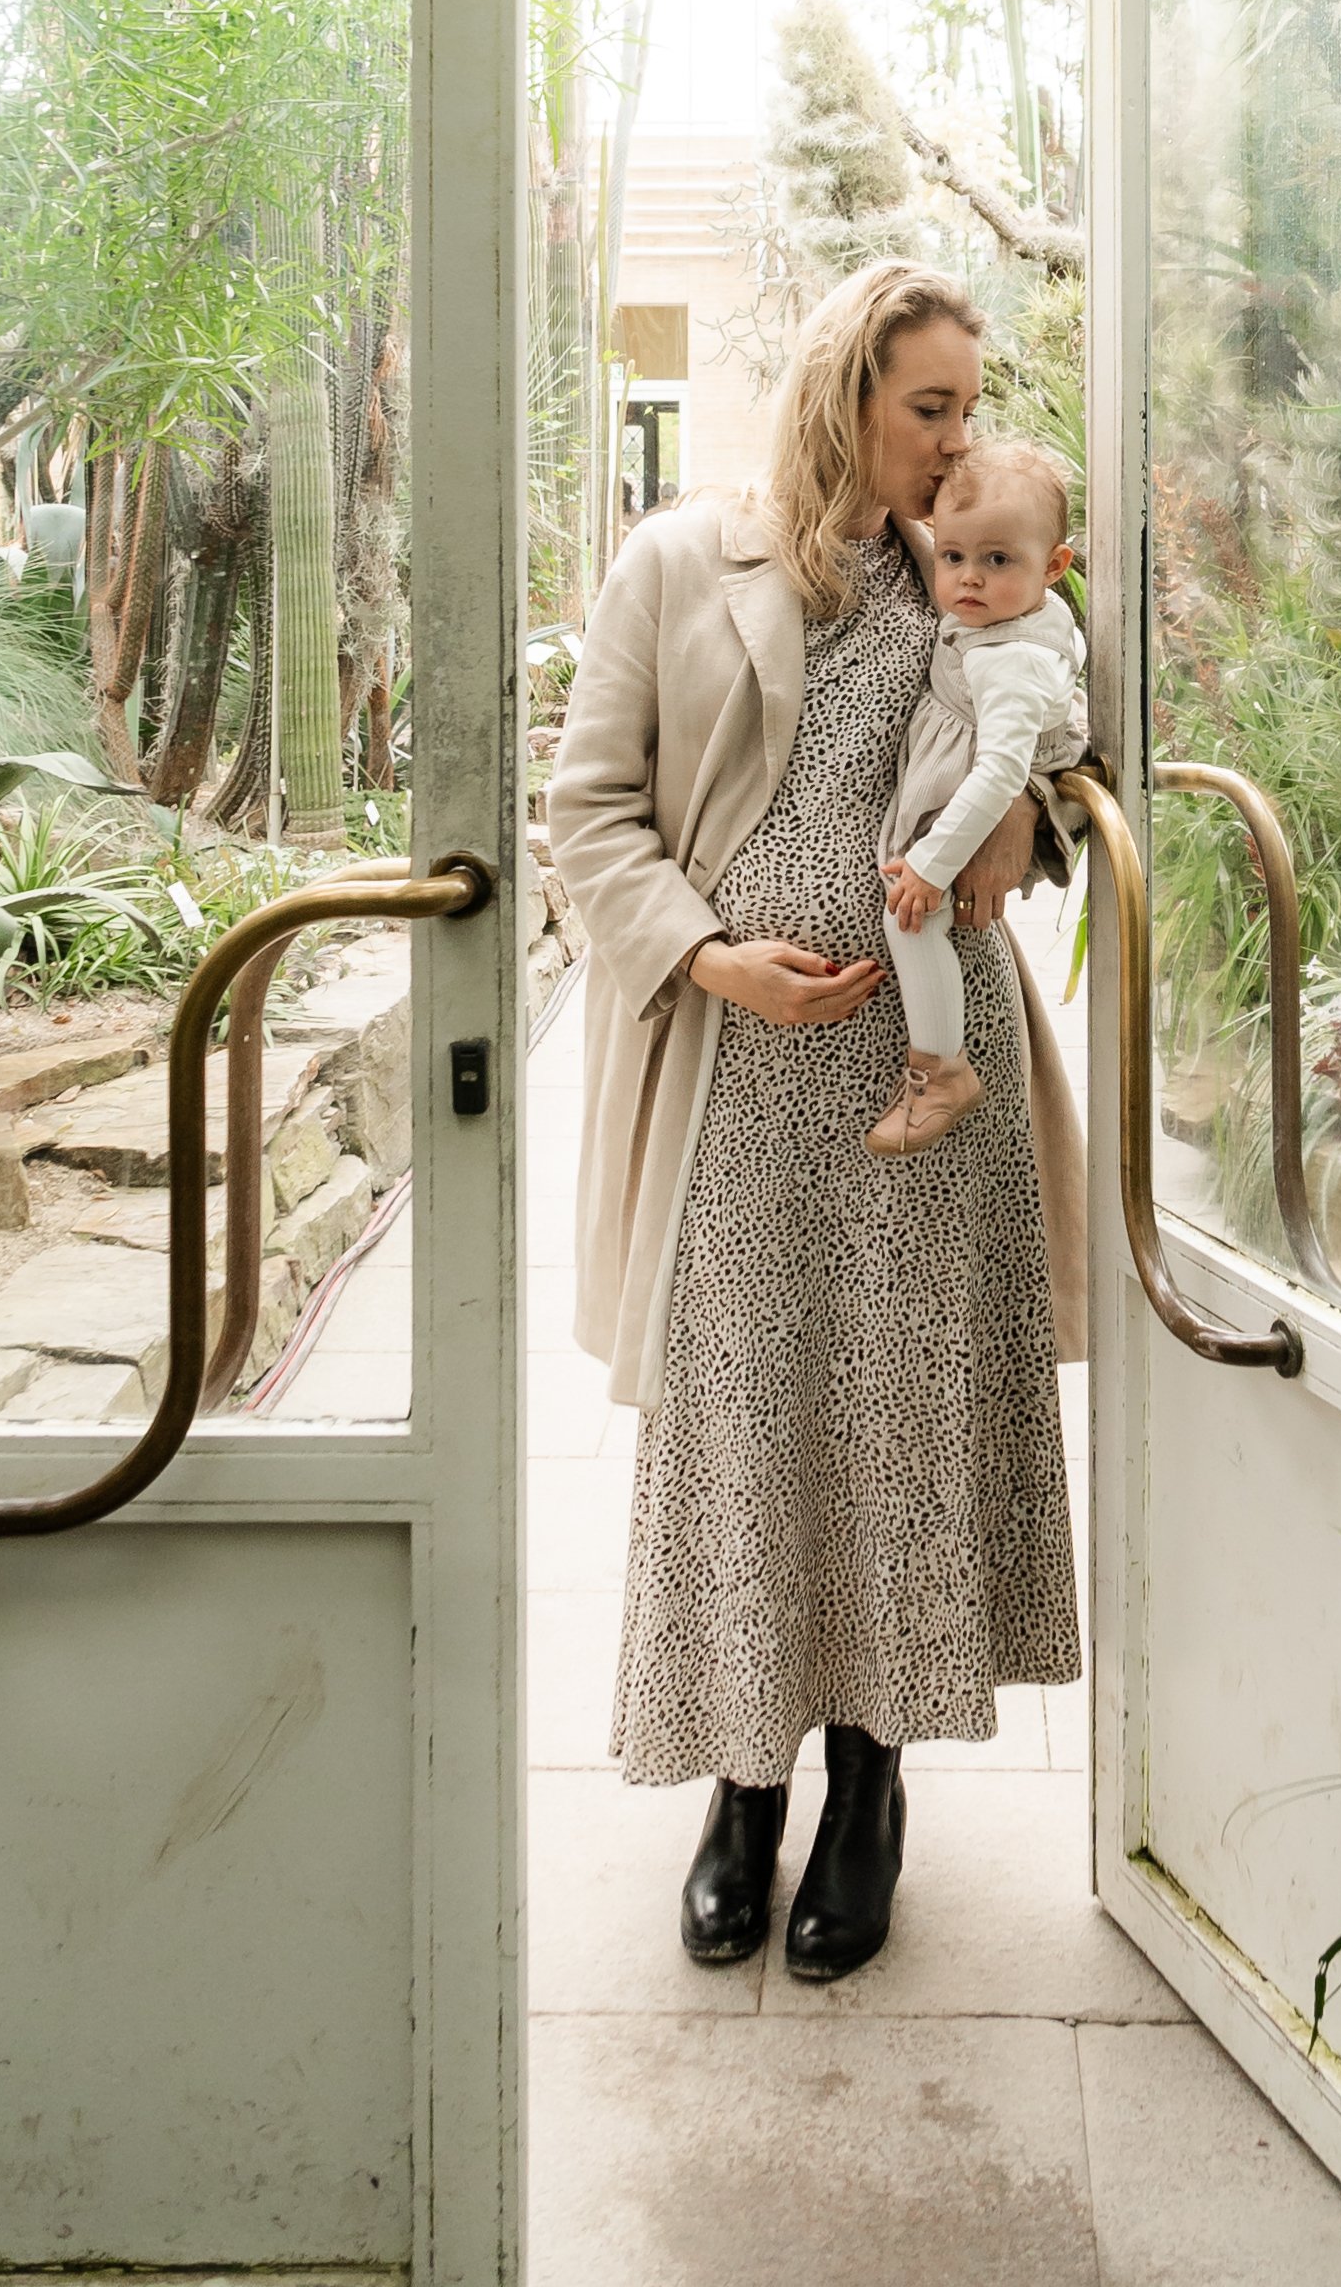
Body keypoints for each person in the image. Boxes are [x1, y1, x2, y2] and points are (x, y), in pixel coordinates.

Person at [548, 260, 1085, 1984]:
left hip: (934, 1079)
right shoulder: (676, 560)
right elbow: (585, 814)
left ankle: (870, 1786)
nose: (955, 440)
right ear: (843, 389)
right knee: (744, 1419)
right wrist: (712, 955)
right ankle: (740, 1791)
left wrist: (1028, 825)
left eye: (966, 403)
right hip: (744, 1076)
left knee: (904, 1421)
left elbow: (1073, 751)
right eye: (927, 403)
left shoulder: (987, 556)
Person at [869, 440, 1084, 1158]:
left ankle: (940, 1071)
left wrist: (931, 863)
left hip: (971, 798)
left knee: (911, 922)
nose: (968, 579)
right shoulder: (1008, 623)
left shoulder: (1010, 657)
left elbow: (999, 772)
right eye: (953, 556)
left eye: (998, 561)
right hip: (964, 784)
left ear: (1054, 566)